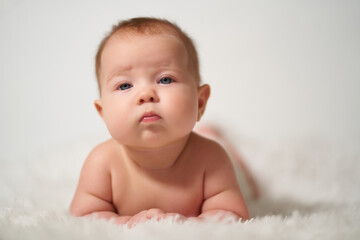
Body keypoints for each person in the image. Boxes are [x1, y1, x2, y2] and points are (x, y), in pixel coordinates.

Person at [70, 17, 251, 227]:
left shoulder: (212, 158)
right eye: (125, 85)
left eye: (165, 79)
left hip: (222, 153)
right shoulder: (102, 163)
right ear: (103, 113)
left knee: (248, 180)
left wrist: (190, 225)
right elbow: (82, 218)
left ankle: (216, 134)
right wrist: (127, 223)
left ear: (200, 102)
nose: (145, 94)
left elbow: (234, 214)